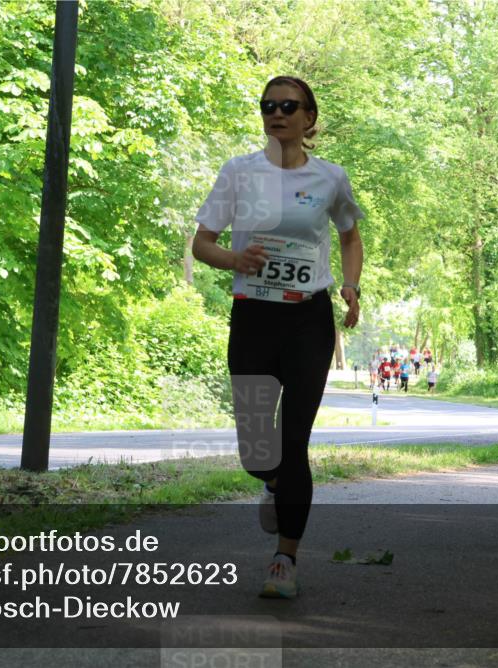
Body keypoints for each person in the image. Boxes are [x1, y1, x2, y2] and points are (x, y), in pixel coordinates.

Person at [192, 75, 365, 599]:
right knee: (256, 446)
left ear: (309, 118)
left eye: (289, 106)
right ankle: (271, 483)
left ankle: (284, 560)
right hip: (253, 316)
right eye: (269, 106)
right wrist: (234, 259)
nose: (278, 113)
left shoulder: (331, 178)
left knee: (294, 443)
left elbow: (350, 235)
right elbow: (203, 243)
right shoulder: (239, 173)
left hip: (307, 318)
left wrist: (352, 286)